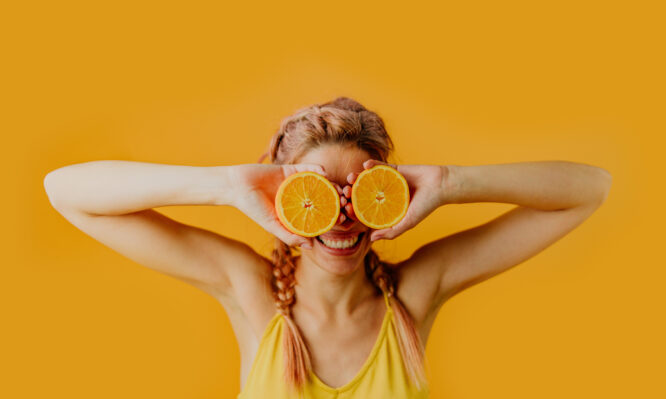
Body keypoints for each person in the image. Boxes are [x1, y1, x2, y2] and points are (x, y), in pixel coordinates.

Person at [43, 97, 612, 398]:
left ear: (389, 193)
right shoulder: (251, 293)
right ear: (286, 195)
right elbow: (66, 191)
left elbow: (588, 190)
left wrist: (449, 182)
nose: (341, 213)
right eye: (317, 190)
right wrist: (225, 187)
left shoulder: (415, 295)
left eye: (362, 189)